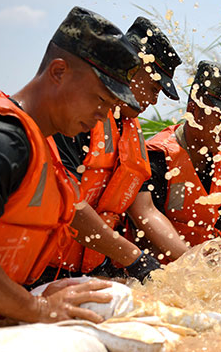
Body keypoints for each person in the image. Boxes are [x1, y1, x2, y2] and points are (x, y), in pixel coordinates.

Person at [0, 6, 150, 336]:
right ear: (58, 72)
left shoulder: (43, 148)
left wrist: (23, 297)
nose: (102, 115)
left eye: (110, 106)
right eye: (99, 98)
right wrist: (35, 308)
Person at [46, 16, 186, 280]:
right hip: (46, 271)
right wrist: (135, 258)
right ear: (131, 67)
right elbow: (69, 203)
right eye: (154, 87)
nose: (154, 100)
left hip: (95, 269)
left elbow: (145, 210)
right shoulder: (77, 119)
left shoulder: (131, 131)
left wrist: (191, 262)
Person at [125, 60, 221, 262]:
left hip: (200, 274)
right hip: (156, 273)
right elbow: (141, 230)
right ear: (194, 110)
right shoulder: (156, 158)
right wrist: (192, 263)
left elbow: (218, 227)